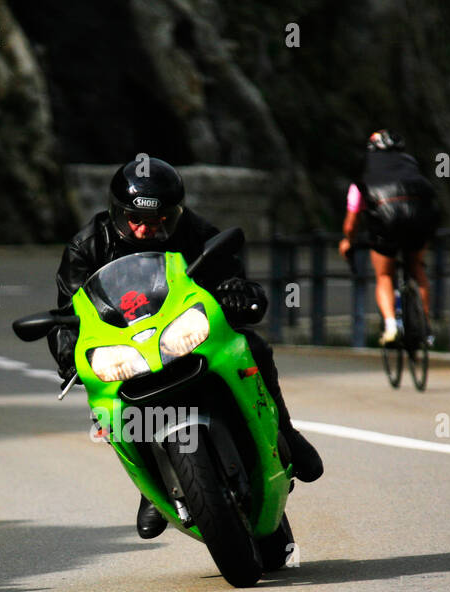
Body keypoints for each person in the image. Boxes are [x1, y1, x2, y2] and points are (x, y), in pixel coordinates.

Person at [49, 156, 323, 540]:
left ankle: (286, 431)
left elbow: (231, 276)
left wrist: (238, 293)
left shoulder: (195, 230)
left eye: (159, 221)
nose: (145, 229)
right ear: (116, 213)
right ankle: (151, 486)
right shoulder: (86, 246)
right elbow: (68, 313)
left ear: (175, 214)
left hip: (184, 336)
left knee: (254, 347)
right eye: (135, 219)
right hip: (127, 348)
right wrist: (69, 357)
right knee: (107, 410)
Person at [337, 130, 441, 343]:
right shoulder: (414, 170)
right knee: (417, 268)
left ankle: (392, 325)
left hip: (387, 226)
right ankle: (425, 326)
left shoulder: (364, 179)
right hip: (420, 221)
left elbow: (350, 224)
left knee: (384, 275)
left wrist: (349, 240)